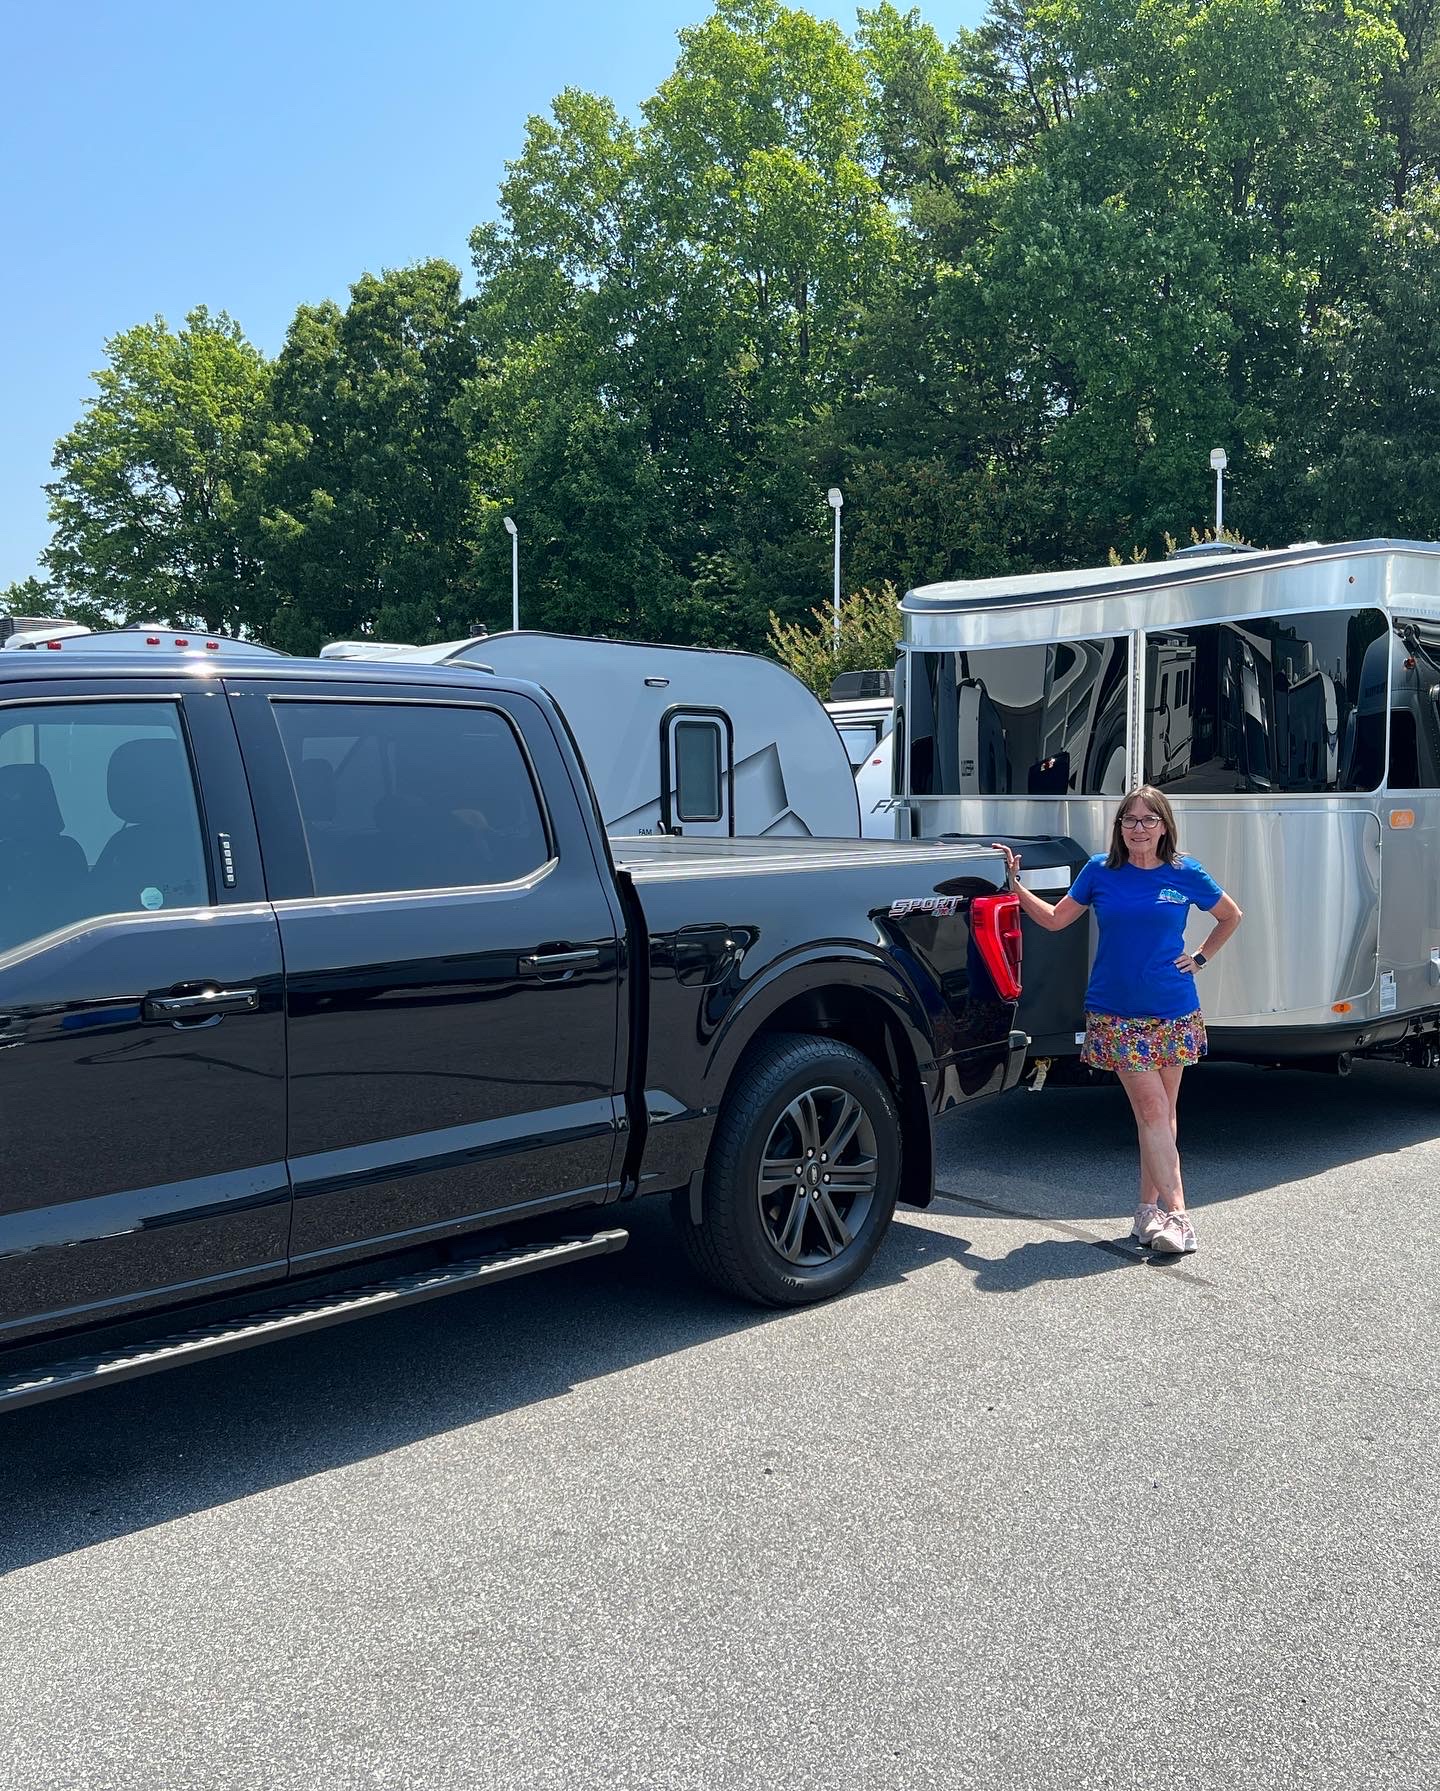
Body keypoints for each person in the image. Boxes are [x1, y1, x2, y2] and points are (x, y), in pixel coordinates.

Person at [993, 788, 1242, 1255]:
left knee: (1162, 1116)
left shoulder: (1184, 871)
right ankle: (1180, 1217)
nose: (1138, 828)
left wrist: (1200, 958)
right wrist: (1015, 885)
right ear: (1119, 827)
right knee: (1152, 1111)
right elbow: (1055, 920)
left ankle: (1147, 1212)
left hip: (1173, 1009)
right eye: (1130, 820)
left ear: (1164, 826)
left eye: (1149, 820)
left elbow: (1230, 916)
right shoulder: (1099, 871)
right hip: (1116, 1012)